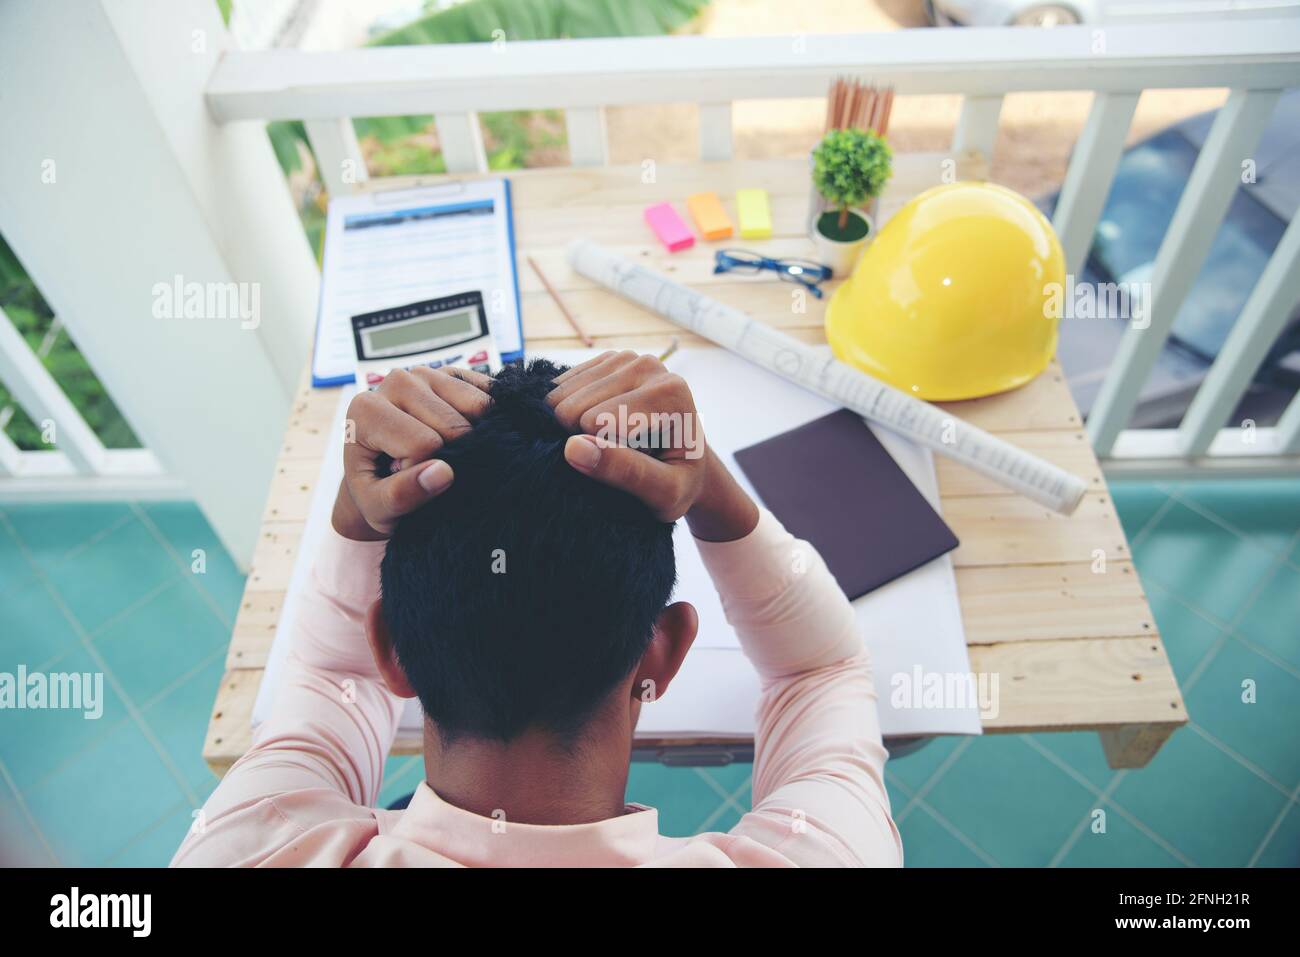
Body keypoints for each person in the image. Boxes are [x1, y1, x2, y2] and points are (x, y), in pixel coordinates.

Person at [172, 352, 902, 867]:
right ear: (665, 652)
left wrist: (357, 509)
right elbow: (823, 671)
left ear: (390, 646)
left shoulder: (249, 845)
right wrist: (704, 477)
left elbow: (331, 673)